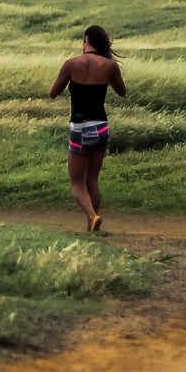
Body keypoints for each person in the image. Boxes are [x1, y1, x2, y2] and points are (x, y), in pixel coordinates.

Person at [49, 24, 126, 232]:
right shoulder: (109, 66)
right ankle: (92, 229)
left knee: (77, 183)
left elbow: (53, 93)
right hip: (101, 126)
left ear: (85, 41)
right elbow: (122, 92)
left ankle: (92, 216)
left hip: (80, 127)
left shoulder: (71, 64)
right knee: (93, 178)